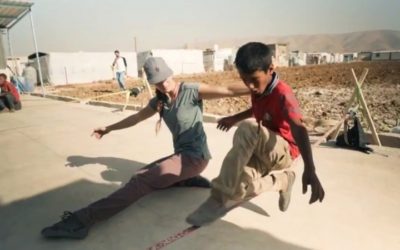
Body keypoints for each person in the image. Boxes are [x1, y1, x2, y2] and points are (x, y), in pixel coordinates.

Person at [41, 57, 250, 239]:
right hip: (182, 157)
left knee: (141, 182)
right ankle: (185, 178)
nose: (164, 84)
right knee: (141, 174)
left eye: (166, 78)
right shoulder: (159, 101)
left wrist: (262, 84)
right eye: (158, 83)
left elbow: (228, 90)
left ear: (171, 73)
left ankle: (82, 221)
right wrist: (109, 128)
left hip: (196, 158)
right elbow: (137, 117)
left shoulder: (191, 91)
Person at [186, 42, 325, 226]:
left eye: (253, 79)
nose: (250, 86)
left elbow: (299, 128)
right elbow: (258, 109)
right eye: (244, 80)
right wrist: (234, 118)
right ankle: (283, 181)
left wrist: (310, 169)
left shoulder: (283, 94)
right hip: (263, 150)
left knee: (248, 128)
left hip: (283, 151)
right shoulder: (259, 89)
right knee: (238, 190)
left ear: (270, 69)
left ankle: (217, 199)